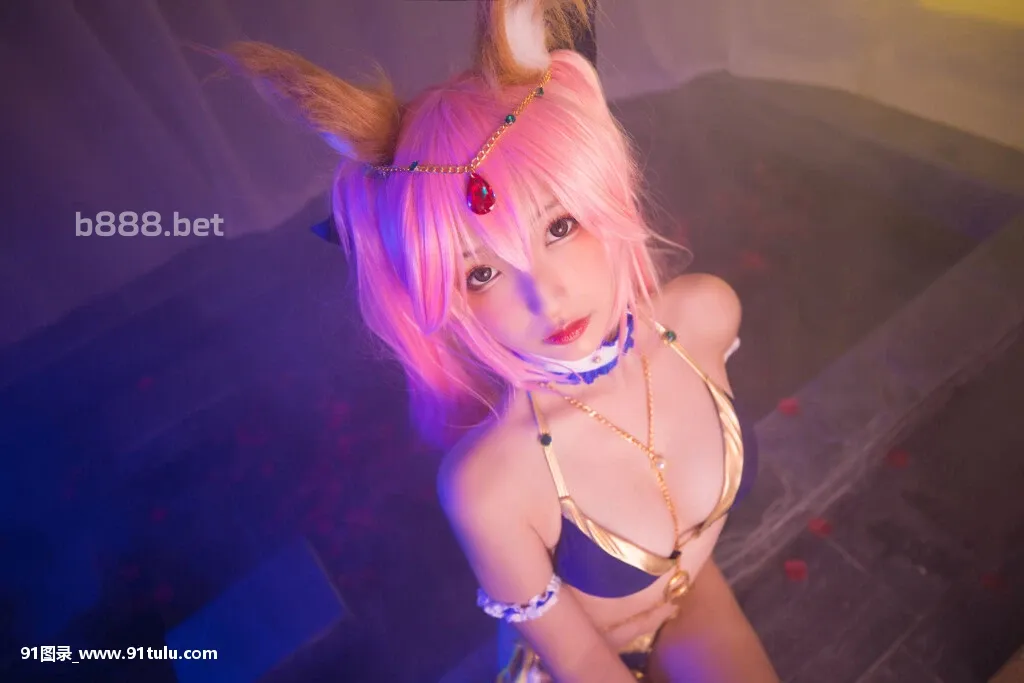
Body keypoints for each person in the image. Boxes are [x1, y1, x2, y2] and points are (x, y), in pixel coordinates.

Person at [219, 1, 779, 680]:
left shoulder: (706, 315)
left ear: (603, 195)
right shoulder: (489, 485)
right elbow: (579, 656)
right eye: (481, 272)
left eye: (559, 228)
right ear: (447, 301)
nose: (544, 297)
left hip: (694, 595)